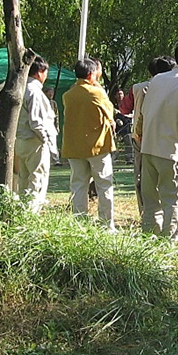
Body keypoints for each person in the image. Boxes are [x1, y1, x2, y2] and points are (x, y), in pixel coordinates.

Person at [133, 43, 178, 241]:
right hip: (172, 150)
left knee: (150, 201)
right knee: (172, 200)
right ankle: (169, 242)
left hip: (149, 147)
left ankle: (148, 239)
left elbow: (144, 112)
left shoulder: (157, 79)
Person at [61, 57, 117, 231]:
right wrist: (98, 86)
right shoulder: (97, 93)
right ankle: (106, 224)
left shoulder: (68, 95)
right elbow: (110, 111)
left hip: (74, 146)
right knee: (104, 184)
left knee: (78, 185)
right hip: (97, 146)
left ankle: (79, 222)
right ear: (91, 74)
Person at [130, 56, 175, 214]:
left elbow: (126, 108)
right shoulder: (172, 88)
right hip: (162, 137)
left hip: (140, 136)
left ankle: (145, 211)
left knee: (141, 175)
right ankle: (162, 212)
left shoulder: (138, 88)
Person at [15, 56, 59, 213]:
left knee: (24, 179)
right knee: (37, 179)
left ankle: (22, 211)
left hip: (21, 140)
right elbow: (37, 122)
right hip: (35, 141)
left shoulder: (20, 88)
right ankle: (32, 213)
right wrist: (46, 141)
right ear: (40, 72)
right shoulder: (34, 92)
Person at [44, 86, 62, 164]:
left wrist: (57, 126)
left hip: (51, 125)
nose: (51, 94)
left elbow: (56, 115)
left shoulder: (53, 103)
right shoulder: (42, 101)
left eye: (52, 92)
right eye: (49, 92)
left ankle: (56, 160)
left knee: (53, 142)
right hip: (43, 125)